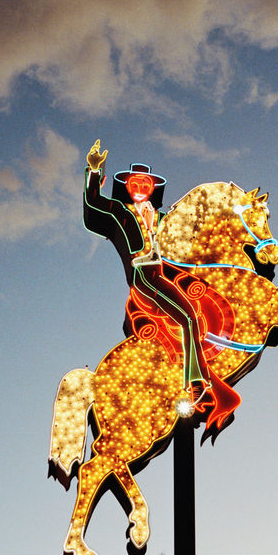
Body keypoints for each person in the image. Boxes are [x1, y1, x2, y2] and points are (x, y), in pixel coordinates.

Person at [83, 139, 213, 406]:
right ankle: (196, 381)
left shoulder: (164, 218)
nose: (141, 188)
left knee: (201, 307)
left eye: (146, 184)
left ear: (153, 188)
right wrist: (94, 172)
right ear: (127, 186)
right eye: (135, 184)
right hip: (143, 274)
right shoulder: (119, 212)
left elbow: (189, 240)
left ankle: (194, 360)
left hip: (167, 273)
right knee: (188, 317)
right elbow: (93, 203)